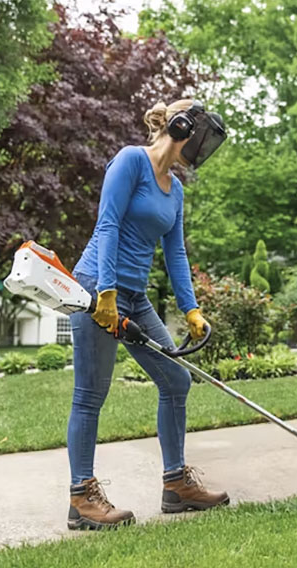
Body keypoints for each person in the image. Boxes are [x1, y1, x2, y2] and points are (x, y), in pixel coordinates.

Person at [66, 99, 227, 530]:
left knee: (176, 380)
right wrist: (105, 292)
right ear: (181, 127)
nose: (203, 147)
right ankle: (81, 497)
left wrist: (191, 309)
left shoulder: (175, 191)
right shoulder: (130, 161)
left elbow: (176, 254)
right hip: (96, 289)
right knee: (90, 394)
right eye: (201, 135)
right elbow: (107, 224)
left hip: (134, 297)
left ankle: (176, 485)